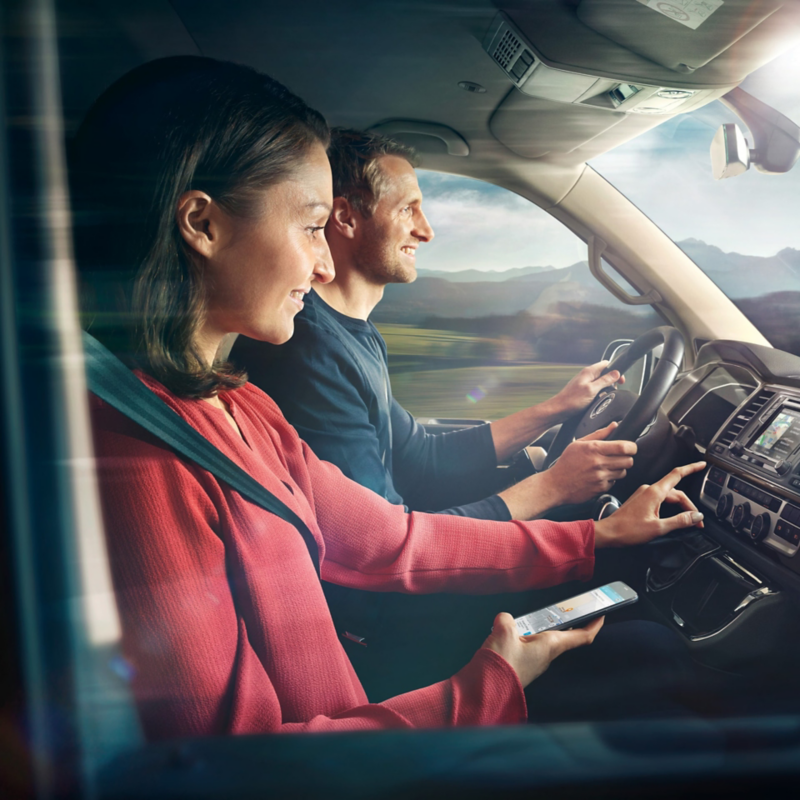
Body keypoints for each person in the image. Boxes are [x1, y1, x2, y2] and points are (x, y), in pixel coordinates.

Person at [72, 55, 705, 740]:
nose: (321, 265)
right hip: (361, 766)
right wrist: (486, 688)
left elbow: (389, 541)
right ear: (202, 225)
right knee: (660, 669)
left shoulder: (244, 407)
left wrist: (594, 537)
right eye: (311, 226)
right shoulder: (137, 466)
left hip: (364, 741)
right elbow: (240, 763)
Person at [231, 127, 634, 525]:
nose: (426, 231)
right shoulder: (310, 351)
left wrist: (556, 409)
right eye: (408, 209)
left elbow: (422, 459)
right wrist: (552, 488)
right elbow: (380, 543)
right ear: (346, 218)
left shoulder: (354, 335)